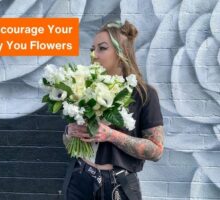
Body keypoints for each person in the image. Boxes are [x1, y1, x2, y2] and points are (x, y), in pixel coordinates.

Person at [62, 20, 164, 200]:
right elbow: (69, 143)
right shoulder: (85, 87)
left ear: (121, 52)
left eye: (102, 48)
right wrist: (70, 133)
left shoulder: (144, 94)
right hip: (79, 178)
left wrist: (111, 135)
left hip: (117, 185)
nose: (94, 54)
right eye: (92, 49)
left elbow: (156, 151)